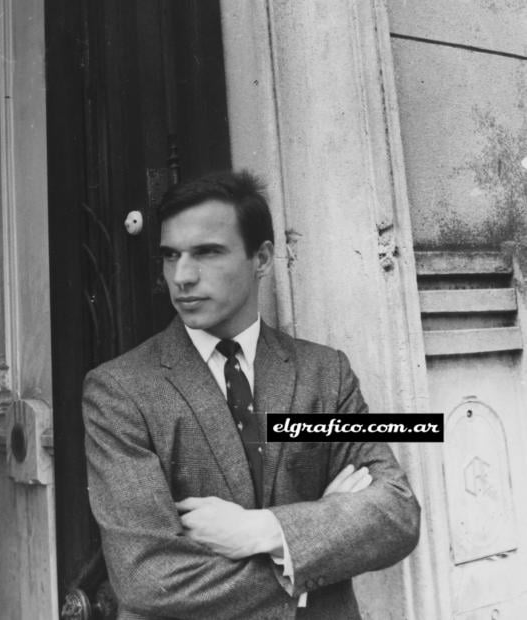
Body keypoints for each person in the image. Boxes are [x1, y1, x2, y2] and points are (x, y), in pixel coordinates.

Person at [83, 170, 420, 619]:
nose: (181, 276)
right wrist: (311, 544)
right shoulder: (119, 391)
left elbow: (397, 511)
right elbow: (147, 576)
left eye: (207, 252)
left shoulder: (325, 373)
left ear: (261, 259)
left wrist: (262, 530)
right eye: (170, 255)